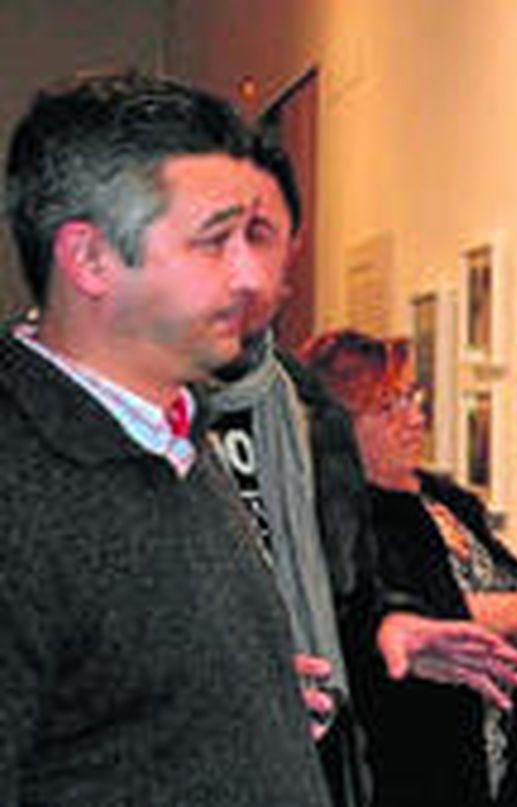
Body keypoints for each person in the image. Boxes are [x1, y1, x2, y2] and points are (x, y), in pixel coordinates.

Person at [0, 71, 330, 805]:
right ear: (90, 259)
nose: (252, 277)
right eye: (214, 242)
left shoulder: (176, 435)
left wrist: (240, 706)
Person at [200, 107, 517, 805]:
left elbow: (343, 589)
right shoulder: (113, 426)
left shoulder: (304, 410)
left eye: (266, 241)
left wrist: (384, 622)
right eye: (218, 238)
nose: (251, 273)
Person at [304, 330, 517, 807]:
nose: (415, 416)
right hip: (416, 778)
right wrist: (507, 613)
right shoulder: (338, 523)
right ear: (339, 427)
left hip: (511, 771)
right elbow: (369, 631)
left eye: (412, 396)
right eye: (388, 406)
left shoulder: (448, 501)